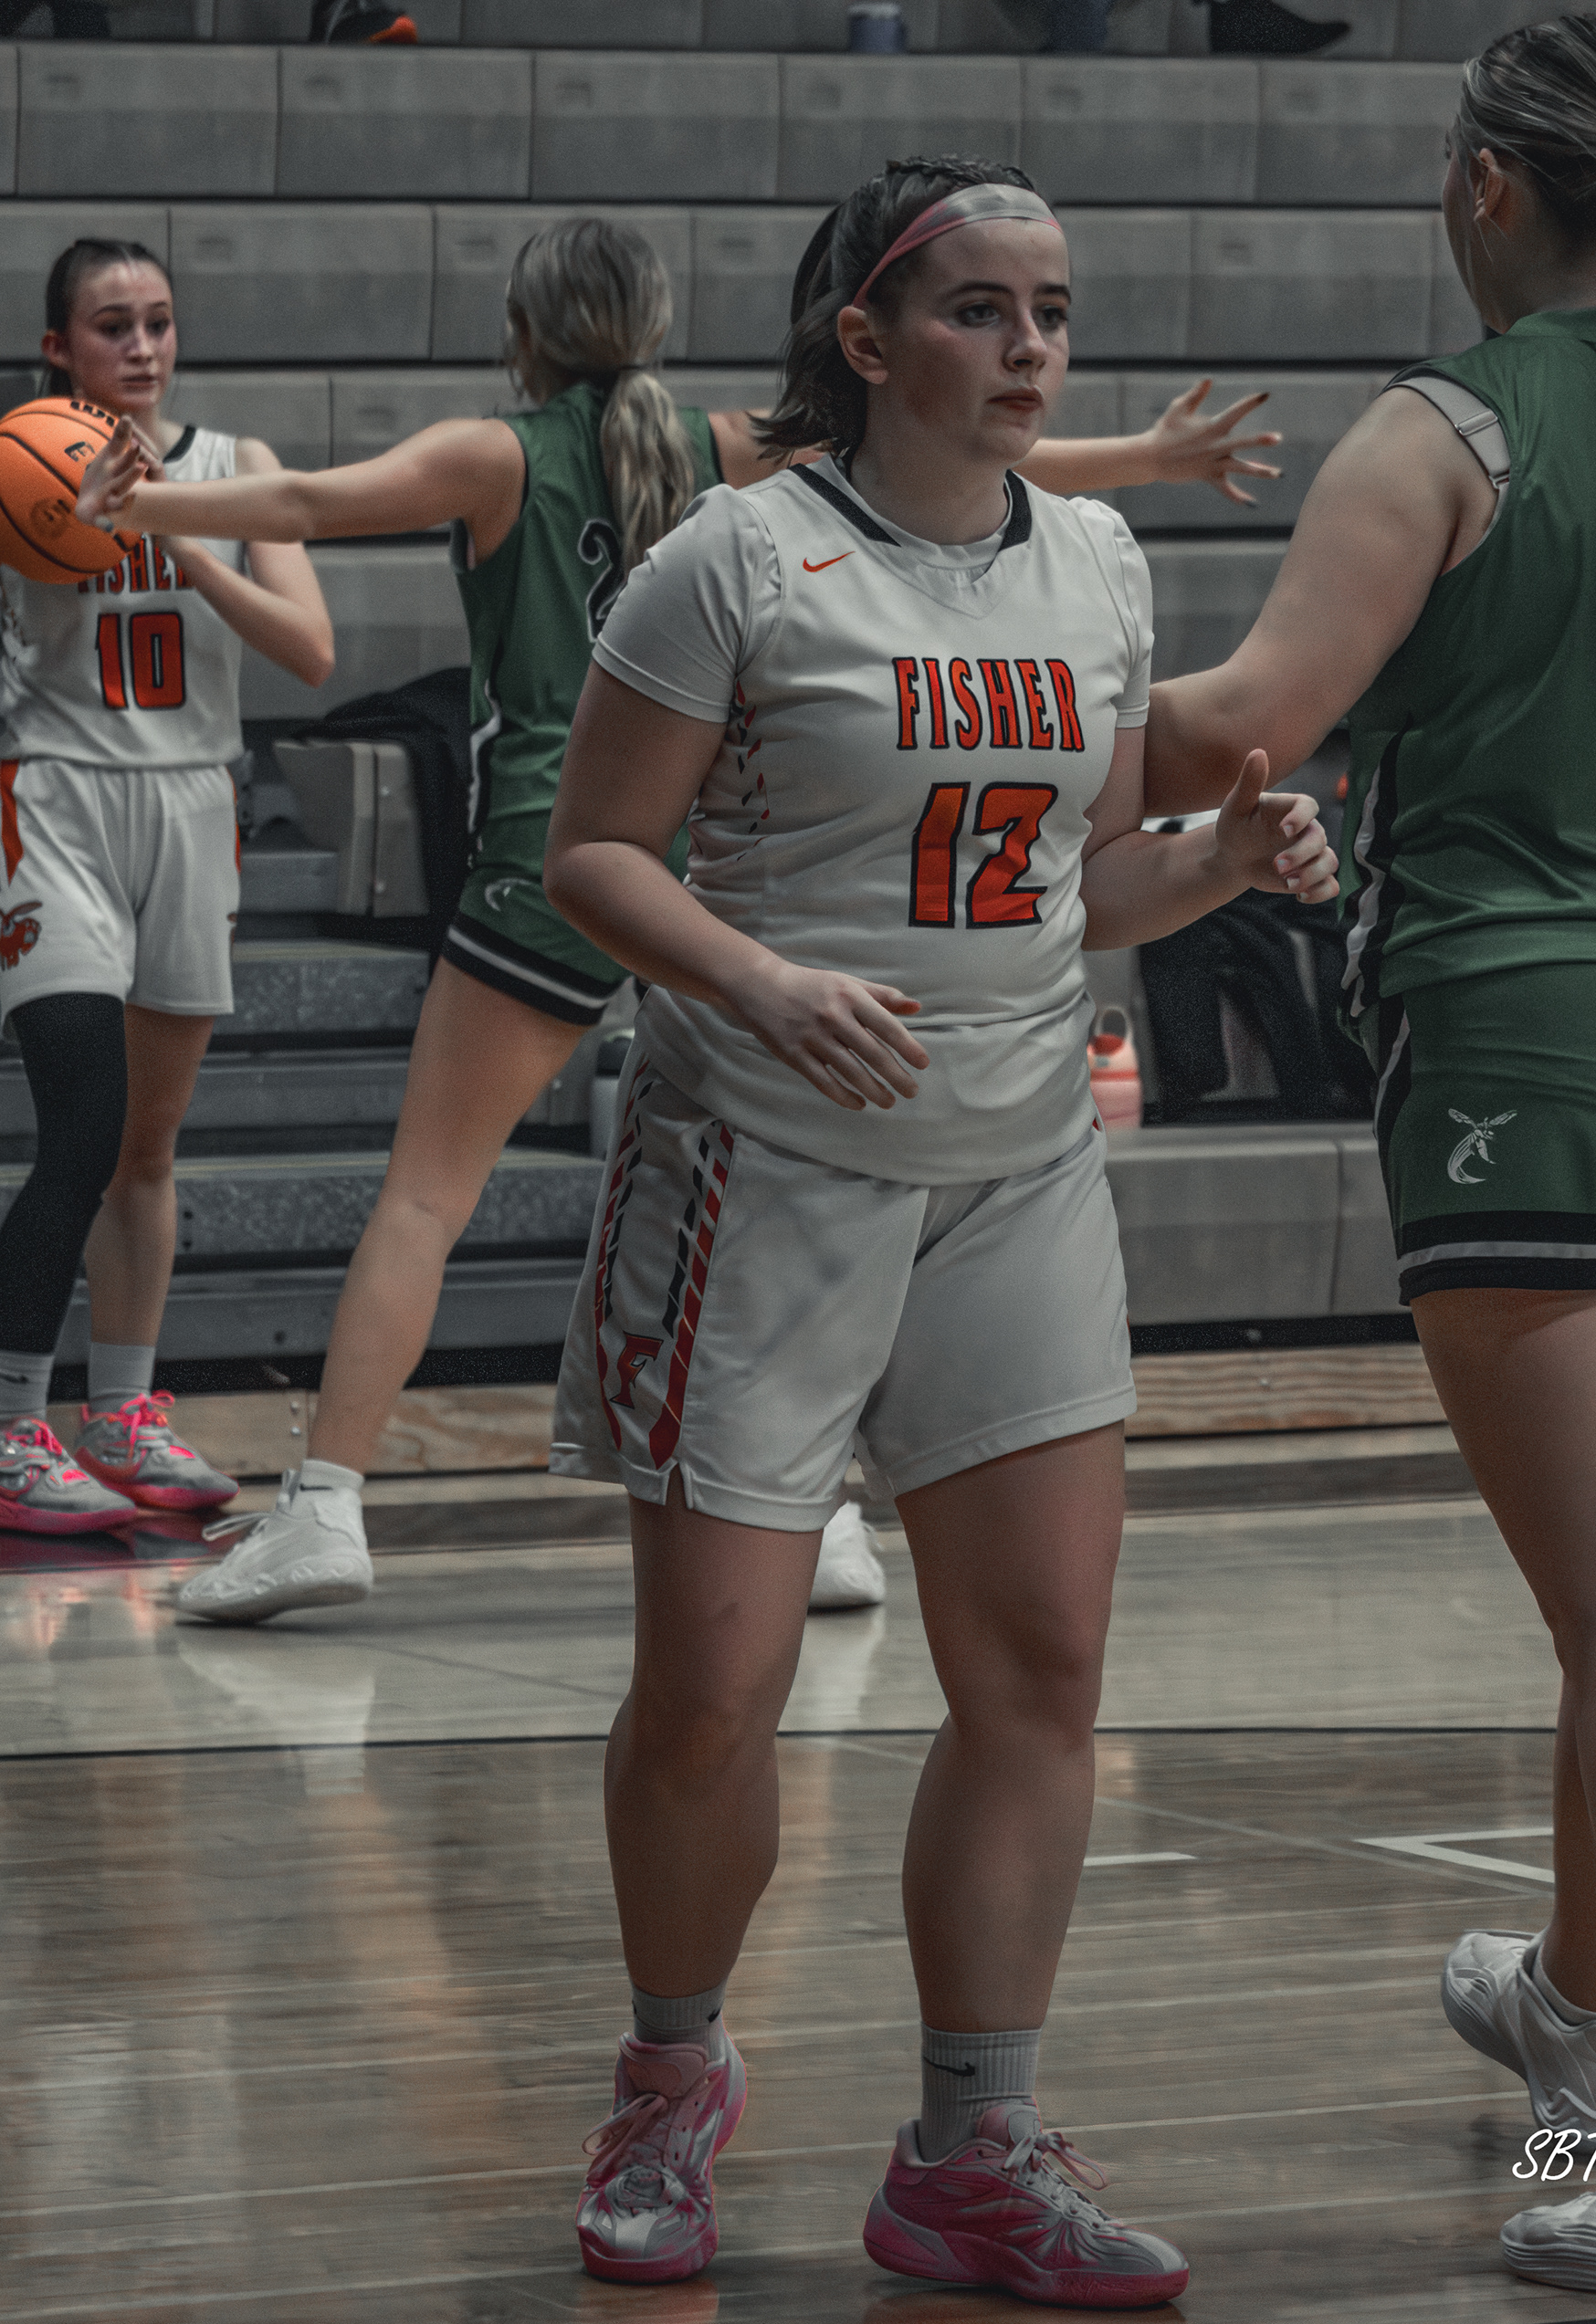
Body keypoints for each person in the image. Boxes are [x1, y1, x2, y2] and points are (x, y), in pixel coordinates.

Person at [537, 155, 1337, 2300]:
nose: (1033, 347)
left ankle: (973, 2148)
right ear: (869, 339)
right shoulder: (735, 559)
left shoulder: (1098, 557)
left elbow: (1088, 878)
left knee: (1042, 1669)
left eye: (1052, 310)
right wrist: (761, 977)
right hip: (761, 1164)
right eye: (984, 309)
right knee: (708, 1698)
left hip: (1017, 1167)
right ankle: (670, 2078)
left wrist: (1221, 857)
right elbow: (591, 852)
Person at [79, 213, 1286, 1623]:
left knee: (427, 1195)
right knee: (781, 1186)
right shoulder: (729, 447)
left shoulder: (496, 452)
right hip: (713, 861)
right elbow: (970, 459)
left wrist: (143, 514)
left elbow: (304, 503)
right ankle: (820, 1511)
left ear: (523, 331)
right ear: (651, 318)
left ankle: (328, 1503)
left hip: (560, 855)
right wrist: (1150, 457)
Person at [1142, 13, 1596, 2307]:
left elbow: (1247, 726)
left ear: (1489, 184)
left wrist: (966, 693)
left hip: (1543, 1028)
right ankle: (1581, 2014)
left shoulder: (1447, 425)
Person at [0, 238, 332, 1535]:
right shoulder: (18, 461)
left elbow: (310, 649)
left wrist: (176, 534)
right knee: (83, 1122)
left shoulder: (235, 465)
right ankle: (10, 1425)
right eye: (111, 327)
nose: (141, 347)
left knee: (146, 1145)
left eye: (158, 322)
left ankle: (121, 1414)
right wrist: (81, 521)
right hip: (56, 798)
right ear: (59, 349)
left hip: (195, 801)